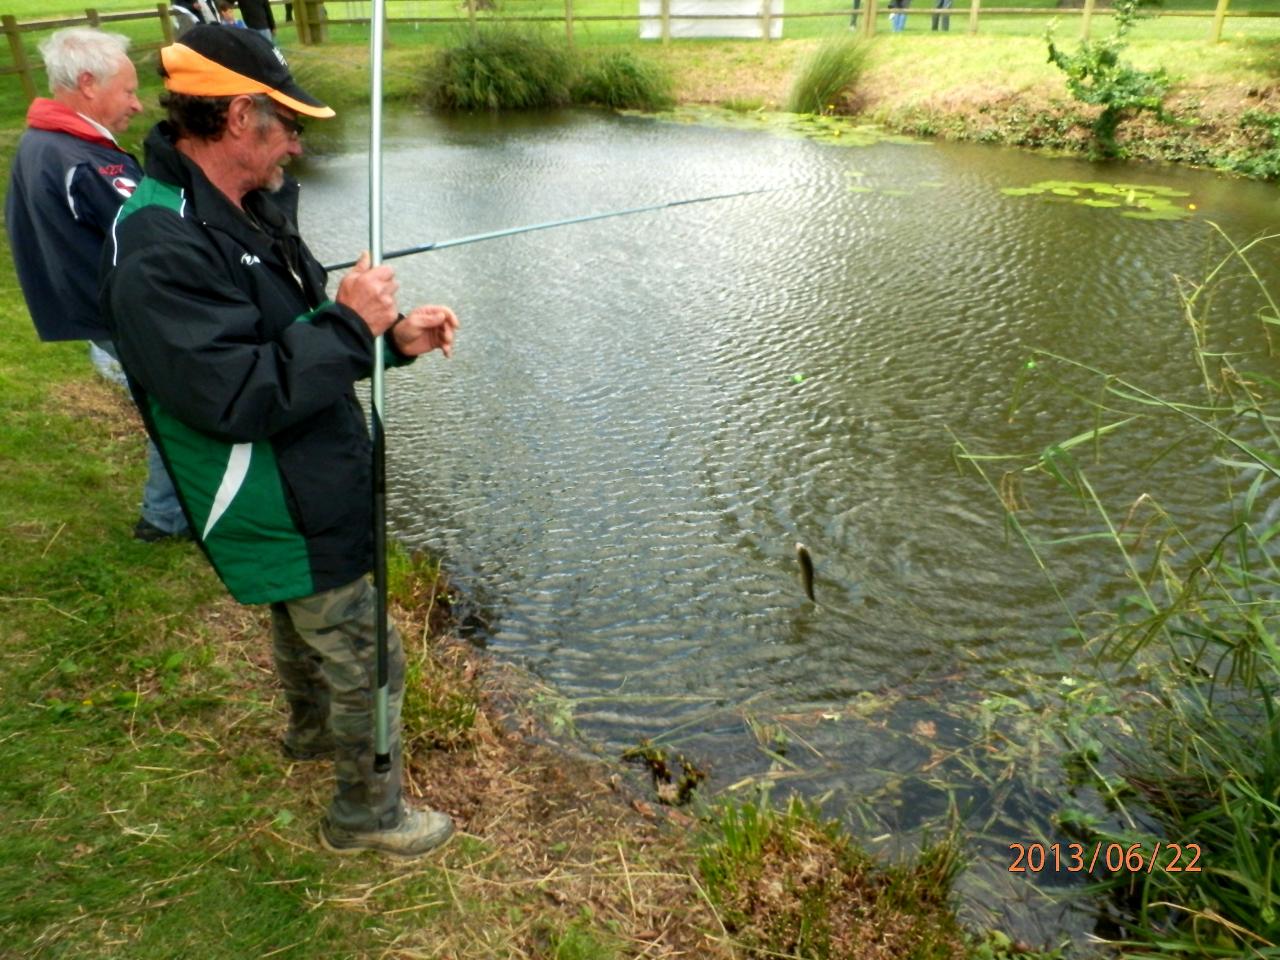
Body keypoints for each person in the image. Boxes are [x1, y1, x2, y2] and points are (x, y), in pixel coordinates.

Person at [99, 25, 460, 859]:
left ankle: (307, 734)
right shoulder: (160, 246)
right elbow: (239, 392)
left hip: (298, 477)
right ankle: (366, 817)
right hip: (271, 489)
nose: (297, 142)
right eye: (286, 123)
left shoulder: (243, 210)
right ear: (235, 117)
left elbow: (288, 344)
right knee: (371, 658)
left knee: (301, 619)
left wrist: (388, 339)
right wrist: (346, 318)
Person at [5, 27, 190, 543]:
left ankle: (166, 517)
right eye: (128, 90)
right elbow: (161, 229)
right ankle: (166, 520)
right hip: (119, 310)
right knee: (180, 401)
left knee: (168, 400)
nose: (136, 104)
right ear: (88, 83)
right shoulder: (84, 161)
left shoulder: (45, 143)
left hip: (97, 306)